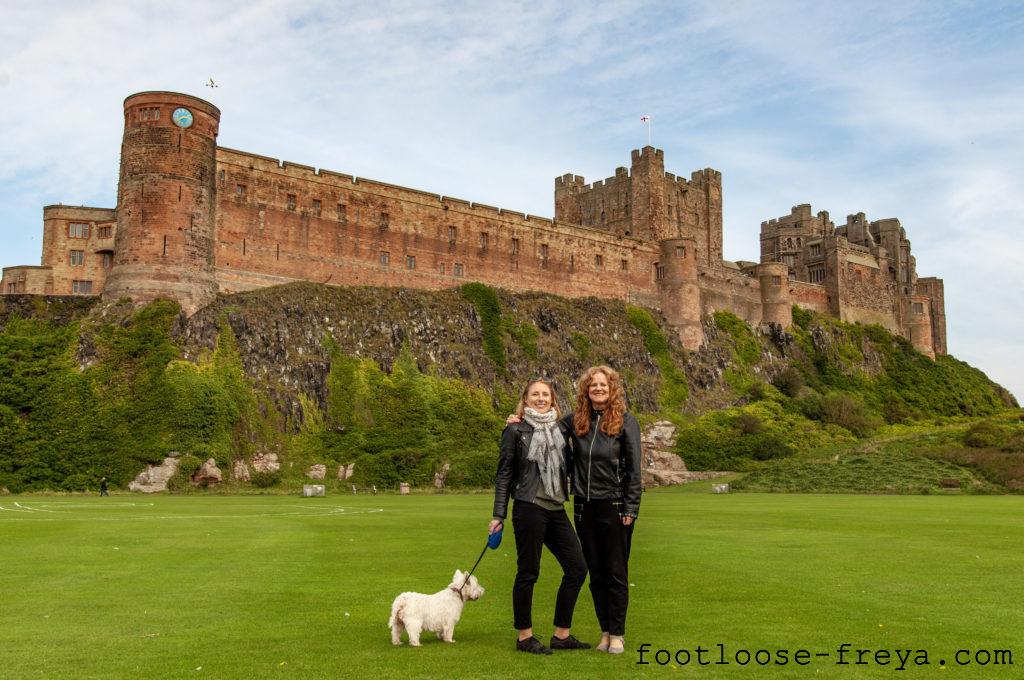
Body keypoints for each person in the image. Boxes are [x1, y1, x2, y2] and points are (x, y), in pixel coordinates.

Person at [490, 378, 590, 655]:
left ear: (553, 400)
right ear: (525, 399)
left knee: (577, 568)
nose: (541, 398)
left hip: (556, 508)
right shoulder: (515, 430)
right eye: (535, 394)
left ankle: (561, 635)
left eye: (546, 394)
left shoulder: (560, 427)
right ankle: (524, 637)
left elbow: (586, 412)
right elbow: (504, 474)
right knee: (528, 572)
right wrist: (499, 514)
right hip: (528, 506)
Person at [563, 365, 642, 655]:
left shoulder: (626, 422)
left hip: (615, 505)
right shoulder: (576, 421)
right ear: (586, 390)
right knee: (596, 574)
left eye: (603, 386)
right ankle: (605, 632)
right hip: (584, 507)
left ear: (612, 390)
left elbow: (634, 470)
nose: (598, 389)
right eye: (593, 385)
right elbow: (546, 428)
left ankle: (618, 633)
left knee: (616, 573)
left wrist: (631, 507)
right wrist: (519, 418)